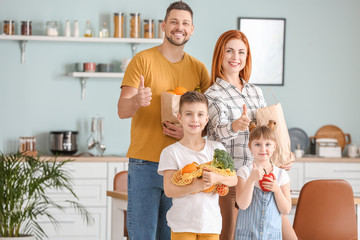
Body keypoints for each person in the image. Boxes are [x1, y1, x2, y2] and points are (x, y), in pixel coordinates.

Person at [117, 1, 211, 239]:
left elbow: (208, 120)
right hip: (145, 164)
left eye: (185, 23)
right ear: (164, 26)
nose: (179, 27)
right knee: (142, 235)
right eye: (174, 21)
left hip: (183, 167)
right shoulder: (142, 60)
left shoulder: (199, 69)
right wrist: (137, 101)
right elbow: (122, 109)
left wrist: (188, 134)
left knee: (172, 236)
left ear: (192, 29)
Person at [204, 30, 296, 240]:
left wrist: (281, 156)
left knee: (289, 236)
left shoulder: (256, 92)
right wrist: (235, 125)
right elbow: (214, 133)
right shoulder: (212, 94)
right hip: (234, 181)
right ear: (220, 54)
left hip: (265, 179)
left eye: (241, 52)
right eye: (229, 51)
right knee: (230, 236)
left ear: (247, 57)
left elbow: (267, 134)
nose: (235, 57)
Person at [158, 91, 238, 240]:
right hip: (182, 226)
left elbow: (233, 179)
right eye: (189, 114)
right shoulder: (170, 152)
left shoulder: (216, 148)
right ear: (180, 118)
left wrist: (216, 177)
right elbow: (169, 190)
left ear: (207, 119)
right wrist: (197, 186)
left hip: (211, 225)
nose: (195, 119)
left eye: (200, 115)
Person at [234, 124, 292, 239]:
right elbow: (242, 204)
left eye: (268, 144)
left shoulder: (281, 175)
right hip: (246, 236)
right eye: (257, 144)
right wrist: (251, 179)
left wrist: (276, 189)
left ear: (274, 147)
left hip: (271, 236)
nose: (263, 149)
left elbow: (286, 210)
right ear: (250, 146)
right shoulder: (244, 172)